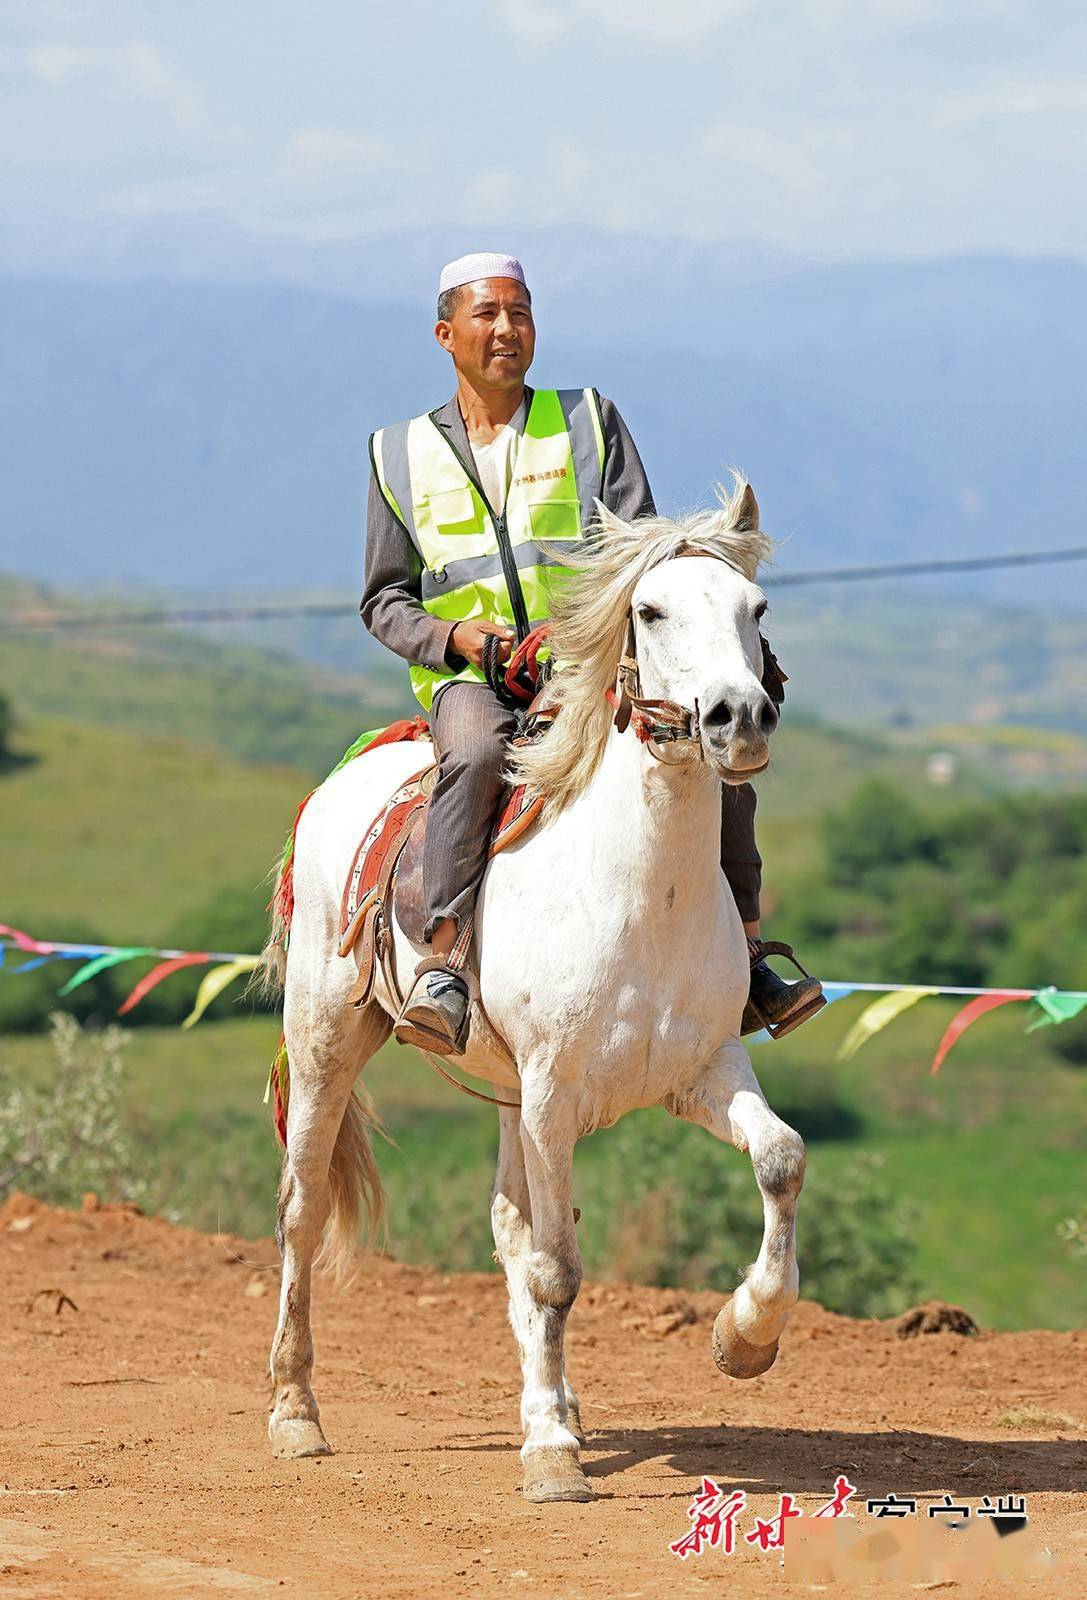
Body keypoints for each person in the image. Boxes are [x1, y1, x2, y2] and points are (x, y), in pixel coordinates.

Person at [361, 251, 824, 1055]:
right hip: (470, 676)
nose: (507, 330)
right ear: (446, 334)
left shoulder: (589, 418)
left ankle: (747, 957)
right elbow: (383, 600)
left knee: (711, 752)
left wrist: (593, 635)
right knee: (475, 752)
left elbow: (643, 550)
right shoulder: (394, 453)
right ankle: (443, 961)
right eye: (488, 315)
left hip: (585, 665)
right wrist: (456, 639)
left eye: (521, 313)